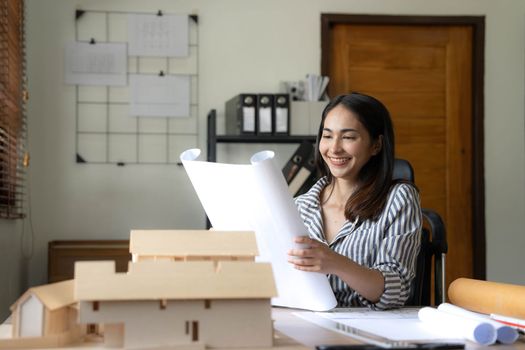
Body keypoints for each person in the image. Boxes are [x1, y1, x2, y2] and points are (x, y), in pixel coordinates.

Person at [287, 92, 422, 309]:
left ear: (376, 145)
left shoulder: (398, 199)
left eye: (348, 137)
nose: (334, 148)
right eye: (327, 135)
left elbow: (396, 292)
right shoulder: (298, 206)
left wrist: (336, 263)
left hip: (369, 329)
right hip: (305, 321)